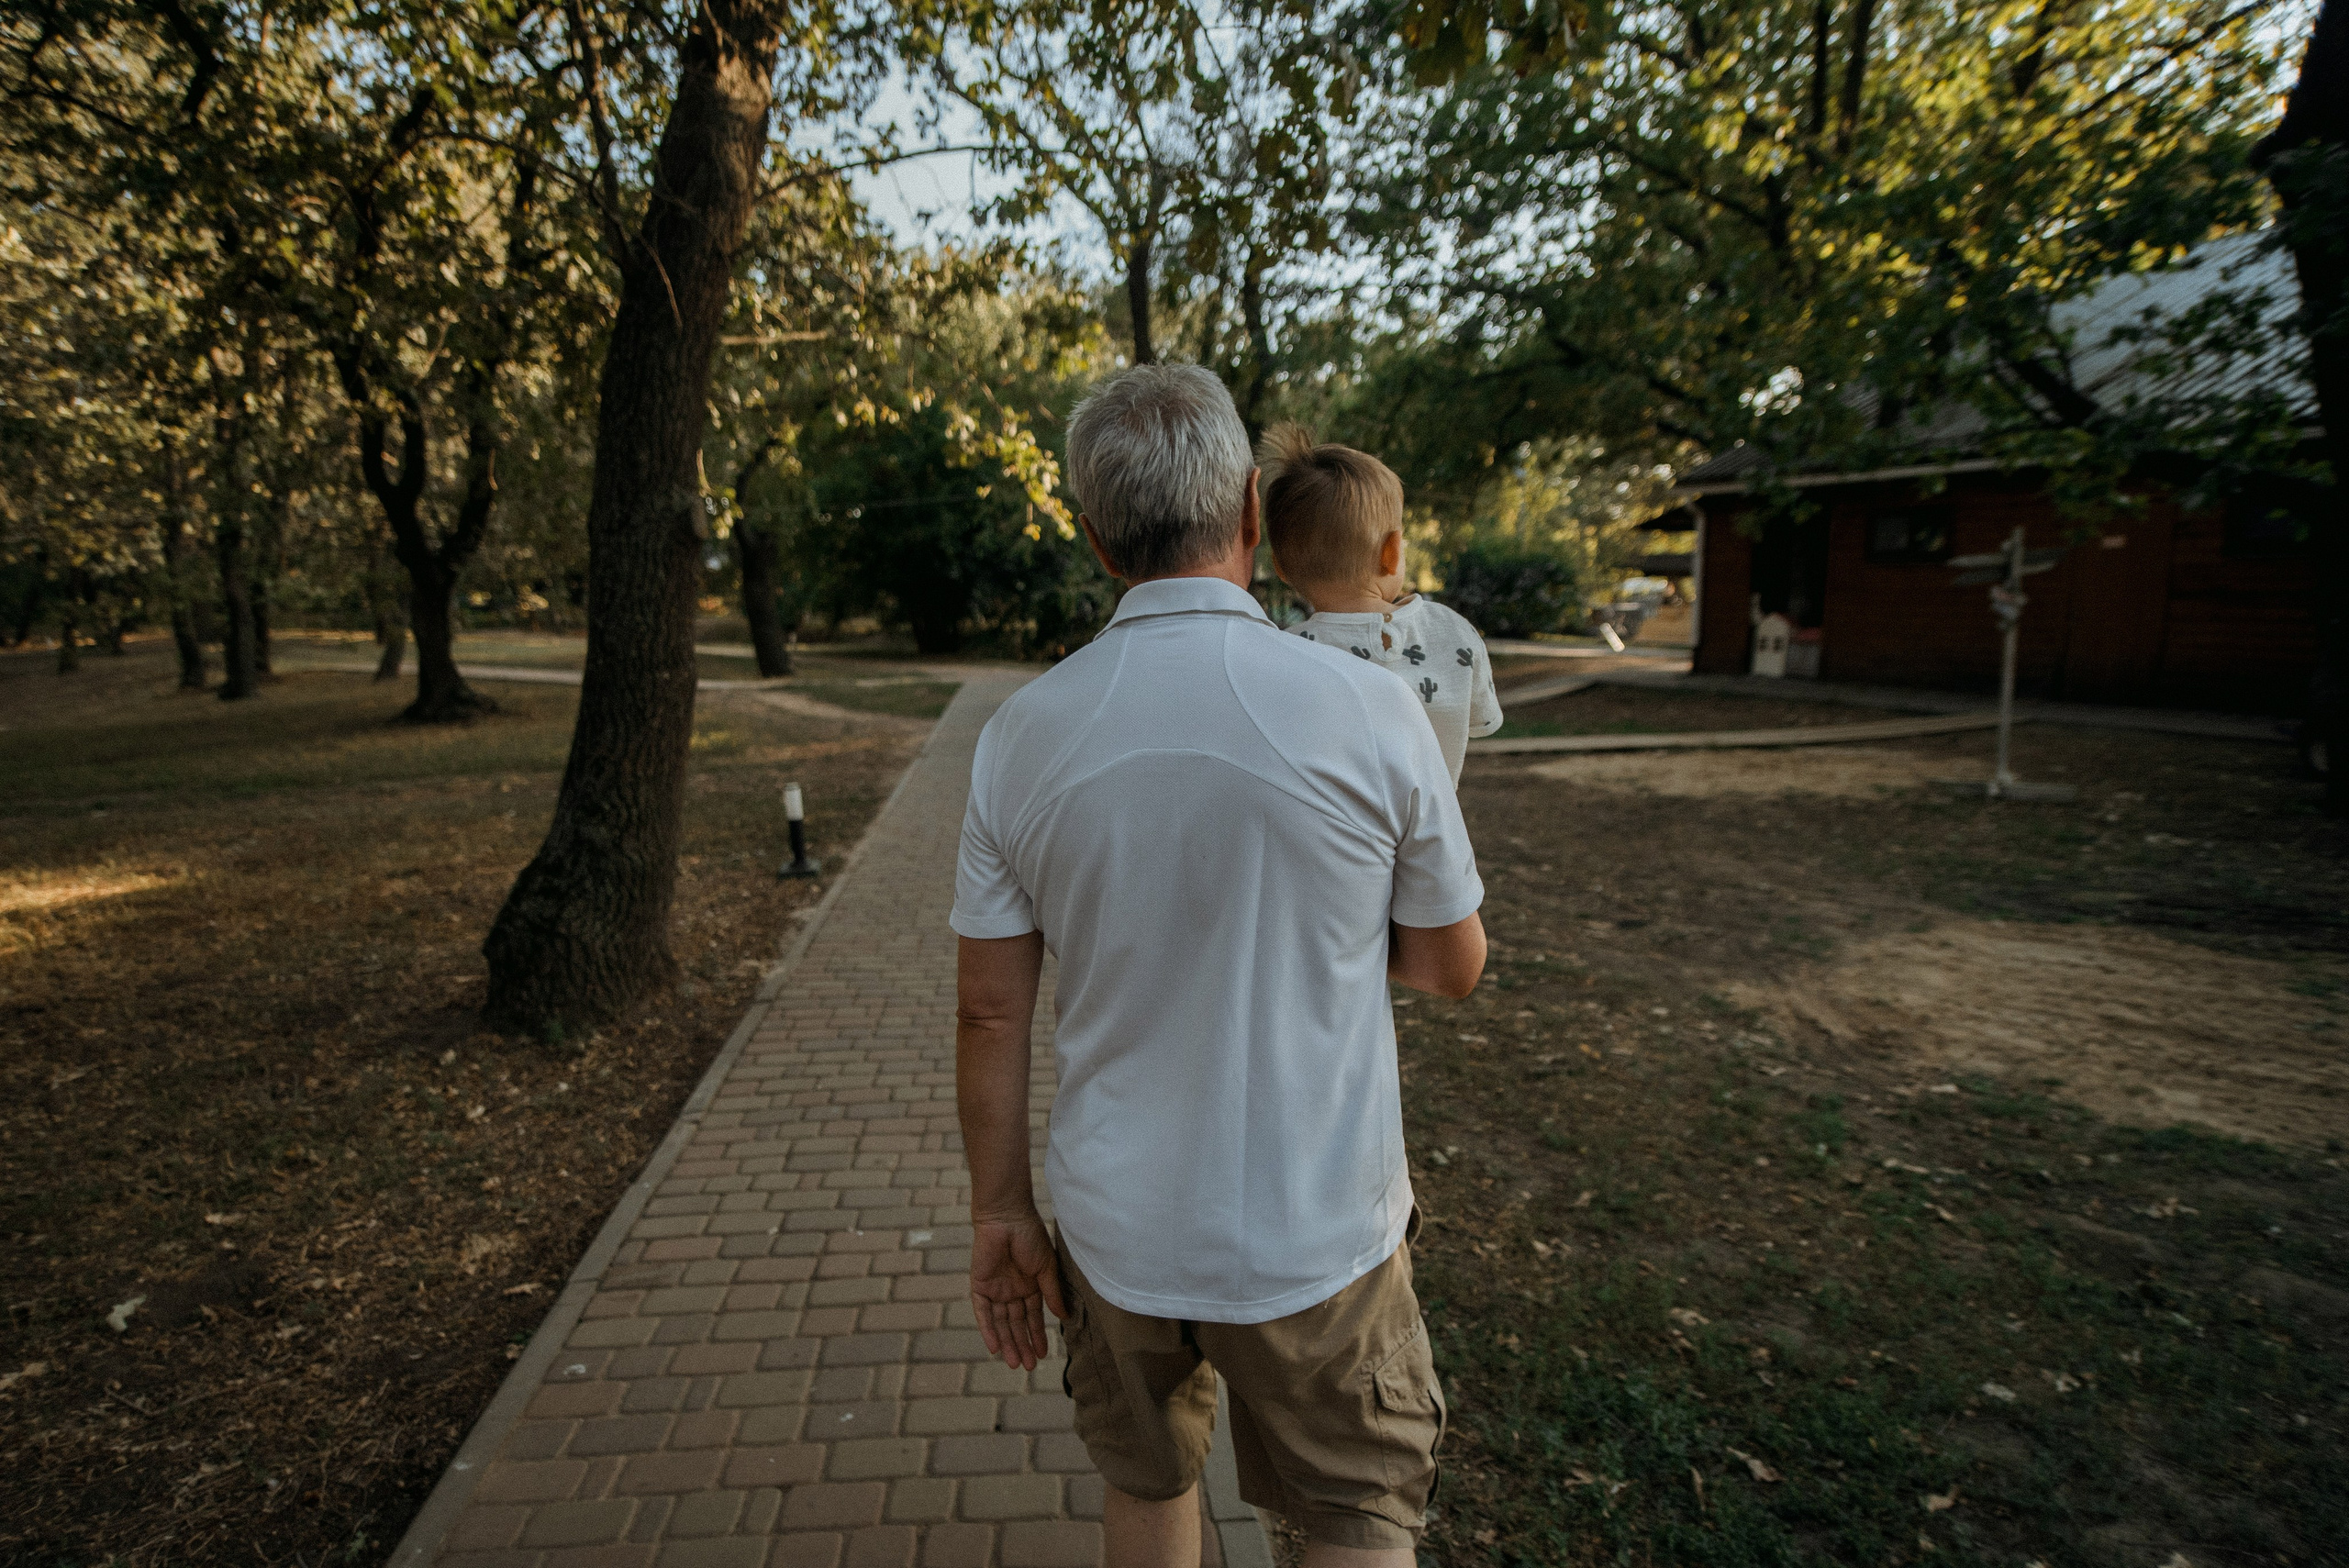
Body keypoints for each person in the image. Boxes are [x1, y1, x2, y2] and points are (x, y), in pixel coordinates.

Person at [950, 363, 1488, 1567]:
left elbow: (991, 1011)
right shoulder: (1372, 710)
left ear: (1098, 541)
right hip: (1321, 1230)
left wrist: (999, 1212)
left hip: (1113, 1230)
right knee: (1351, 1515)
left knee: (1147, 1480)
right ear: (1252, 510)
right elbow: (1453, 967)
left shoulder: (1020, 737)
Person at [1258, 424, 1503, 784]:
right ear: (1392, 552)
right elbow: (1482, 720)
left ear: (1281, 568)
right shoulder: (1454, 633)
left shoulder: (1283, 656)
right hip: (1434, 833)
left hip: (1334, 840)